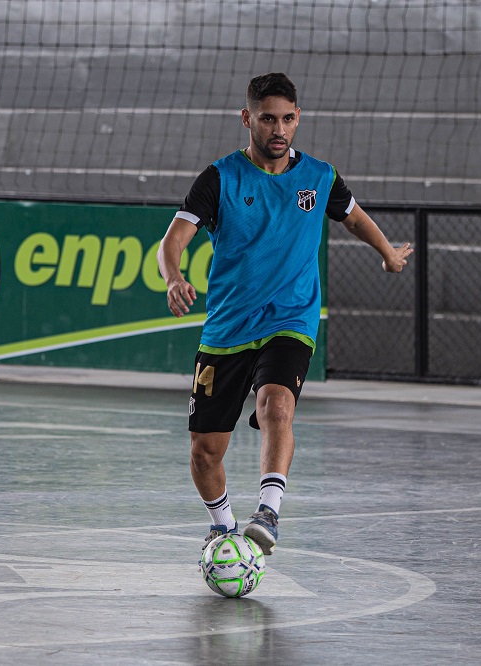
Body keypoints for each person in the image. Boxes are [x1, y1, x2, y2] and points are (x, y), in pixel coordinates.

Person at [157, 72, 413, 556]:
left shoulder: (319, 176)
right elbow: (172, 241)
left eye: (288, 119)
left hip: (291, 319)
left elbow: (352, 215)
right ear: (247, 118)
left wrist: (388, 252)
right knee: (205, 451)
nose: (279, 129)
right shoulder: (220, 178)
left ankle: (268, 512)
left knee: (276, 404)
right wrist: (174, 277)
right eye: (268, 118)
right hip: (228, 327)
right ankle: (223, 526)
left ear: (299, 119)